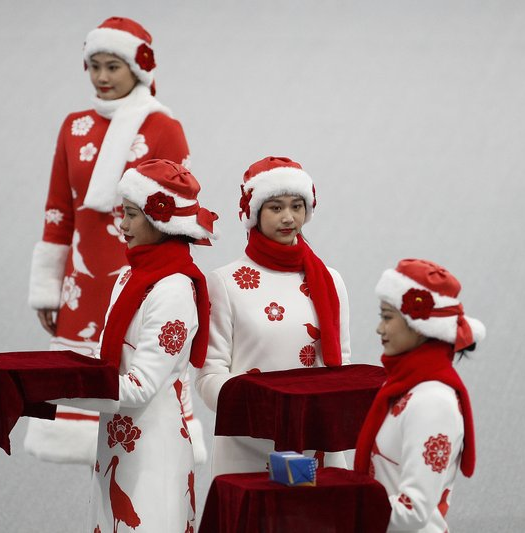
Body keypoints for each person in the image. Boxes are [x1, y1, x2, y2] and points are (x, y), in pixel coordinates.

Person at [25, 16, 206, 465]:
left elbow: (180, 212)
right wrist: (49, 287)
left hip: (140, 278)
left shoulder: (164, 127)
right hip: (83, 282)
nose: (102, 77)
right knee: (85, 398)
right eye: (94, 66)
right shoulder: (74, 127)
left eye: (113, 66)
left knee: (137, 385)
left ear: (139, 68)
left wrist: (171, 284)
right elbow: (58, 210)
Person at [53, 159, 217, 532]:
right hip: (117, 436)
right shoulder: (131, 275)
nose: (122, 225)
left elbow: (140, 386)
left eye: (131, 215)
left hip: (154, 447)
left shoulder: (173, 289)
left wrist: (56, 387)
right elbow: (104, 361)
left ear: (162, 220)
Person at [196, 156, 352, 477]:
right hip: (248, 445)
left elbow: (341, 367)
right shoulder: (224, 282)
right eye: (276, 207)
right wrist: (262, 410)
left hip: (315, 442)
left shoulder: (329, 280)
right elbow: (209, 375)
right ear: (254, 213)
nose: (288, 218)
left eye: (297, 206)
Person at [353, 258, 486, 532]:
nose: (380, 329)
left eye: (387, 317)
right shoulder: (405, 388)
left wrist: (334, 506)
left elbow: (413, 509)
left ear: (420, 325)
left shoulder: (432, 403)